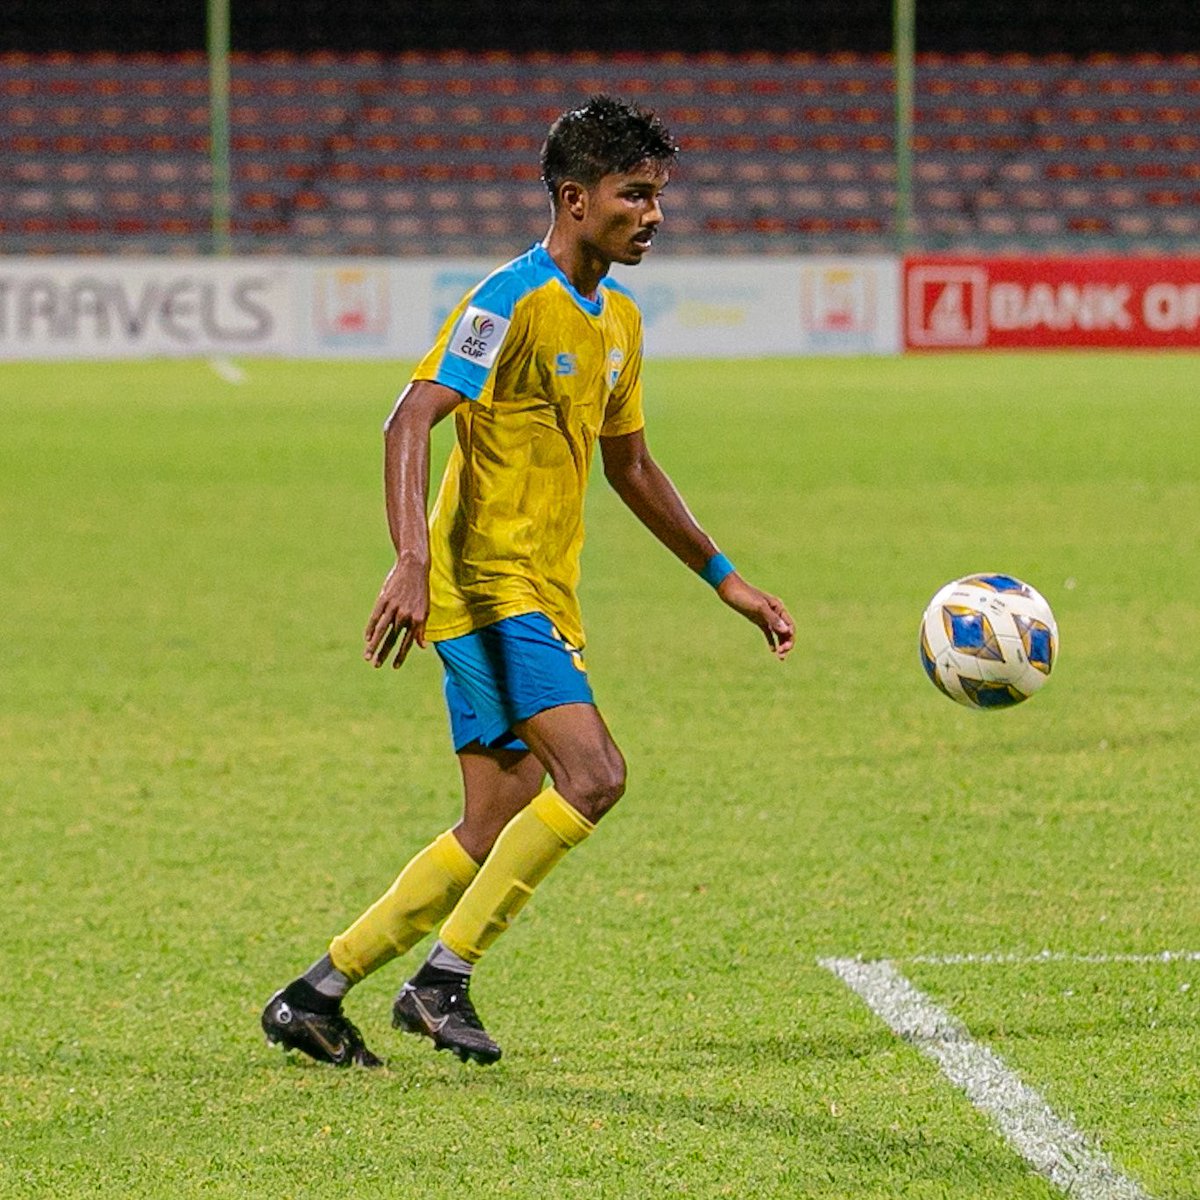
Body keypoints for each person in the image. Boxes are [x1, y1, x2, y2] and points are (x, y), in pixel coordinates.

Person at [262, 95, 794, 1068]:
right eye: (634, 194)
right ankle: (441, 981)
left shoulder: (619, 319)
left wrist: (726, 578)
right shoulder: (508, 299)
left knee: (492, 819)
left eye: (658, 194)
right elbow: (409, 417)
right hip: (484, 589)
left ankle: (315, 994)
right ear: (575, 198)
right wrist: (411, 560)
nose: (654, 214)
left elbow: (632, 466)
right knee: (594, 776)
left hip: (544, 590)